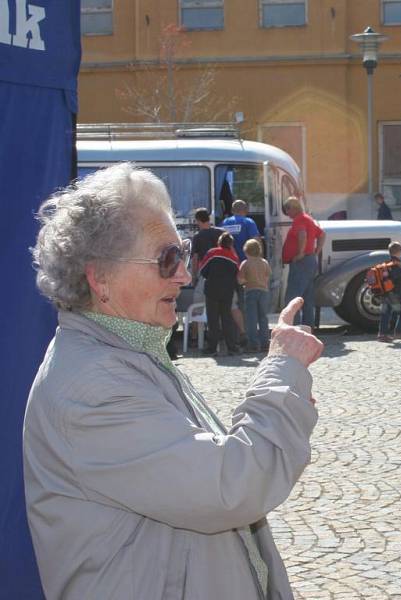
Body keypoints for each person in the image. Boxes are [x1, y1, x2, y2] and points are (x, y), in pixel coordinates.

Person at [25, 162, 323, 600]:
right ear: (100, 278)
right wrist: (282, 370)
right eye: (167, 259)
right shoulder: (94, 388)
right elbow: (233, 485)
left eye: (182, 253)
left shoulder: (130, 351)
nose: (185, 274)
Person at [282, 196, 325, 327]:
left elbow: (302, 234)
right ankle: (308, 328)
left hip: (302, 262)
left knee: (293, 299)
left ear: (293, 208)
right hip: (310, 260)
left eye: (287, 210)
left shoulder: (299, 219)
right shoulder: (308, 219)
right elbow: (322, 234)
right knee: (307, 299)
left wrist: (300, 253)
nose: (287, 214)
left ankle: (292, 328)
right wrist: (316, 251)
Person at [222, 199, 260, 337]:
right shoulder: (248, 222)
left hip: (230, 265)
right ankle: (248, 331)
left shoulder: (225, 223)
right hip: (246, 265)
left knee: (232, 300)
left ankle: (236, 331)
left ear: (232, 210)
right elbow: (256, 240)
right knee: (247, 299)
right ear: (245, 210)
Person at [200, 232, 241, 356]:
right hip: (227, 291)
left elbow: (203, 270)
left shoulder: (212, 253)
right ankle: (232, 347)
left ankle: (212, 348)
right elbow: (237, 275)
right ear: (231, 244)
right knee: (226, 318)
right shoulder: (234, 258)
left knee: (213, 319)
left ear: (219, 242)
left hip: (212, 289)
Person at [239, 238, 272, 352]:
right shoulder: (264, 262)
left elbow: (240, 279)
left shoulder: (245, 263)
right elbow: (267, 277)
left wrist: (244, 282)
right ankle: (265, 343)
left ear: (246, 250)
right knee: (263, 318)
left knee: (251, 319)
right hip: (264, 291)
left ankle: (253, 344)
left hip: (250, 291)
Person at [377, 242, 401, 342]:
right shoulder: (397, 264)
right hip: (395, 294)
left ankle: (382, 334)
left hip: (384, 293)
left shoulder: (385, 264)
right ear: (399, 252)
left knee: (385, 314)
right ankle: (400, 333)